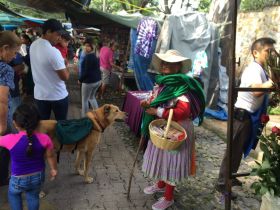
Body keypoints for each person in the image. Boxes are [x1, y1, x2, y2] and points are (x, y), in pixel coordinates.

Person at [140, 50, 205, 210]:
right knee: (163, 157)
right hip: (165, 127)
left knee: (172, 161)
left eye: (169, 63)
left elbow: (183, 111)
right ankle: (161, 184)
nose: (164, 65)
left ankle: (168, 197)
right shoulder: (163, 83)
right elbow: (159, 99)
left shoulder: (182, 85)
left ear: (178, 66)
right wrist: (150, 102)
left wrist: (157, 111)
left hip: (177, 129)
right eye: (163, 62)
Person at [216, 37, 276, 193]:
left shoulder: (262, 70)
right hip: (241, 118)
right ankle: (222, 183)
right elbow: (256, 91)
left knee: (238, 150)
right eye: (267, 51)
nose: (271, 54)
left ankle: (231, 175)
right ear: (256, 52)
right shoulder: (253, 69)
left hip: (249, 118)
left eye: (272, 51)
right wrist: (272, 83)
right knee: (232, 151)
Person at [0, 103, 57, 210]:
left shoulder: (10, 139)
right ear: (38, 123)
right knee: (33, 197)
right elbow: (51, 156)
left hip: (17, 179)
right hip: (37, 177)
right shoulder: (45, 138)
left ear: (15, 123)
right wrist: (54, 169)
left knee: (13, 195)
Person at [30, 19, 70, 120]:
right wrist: (66, 65)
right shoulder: (53, 52)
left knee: (43, 126)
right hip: (57, 95)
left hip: (40, 95)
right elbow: (65, 77)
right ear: (48, 32)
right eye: (58, 34)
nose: (59, 38)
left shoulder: (33, 45)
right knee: (61, 125)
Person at [0, 31, 22, 186]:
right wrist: (2, 126)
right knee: (3, 151)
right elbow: (2, 100)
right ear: (5, 48)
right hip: (0, 118)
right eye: (14, 52)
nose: (14, 57)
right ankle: (2, 179)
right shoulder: (5, 69)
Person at [78, 39, 101, 116]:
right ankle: (98, 115)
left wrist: (80, 79)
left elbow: (86, 72)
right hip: (97, 81)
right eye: (85, 45)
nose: (85, 47)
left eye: (88, 46)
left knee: (84, 100)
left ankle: (84, 117)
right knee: (91, 98)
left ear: (92, 47)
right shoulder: (96, 55)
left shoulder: (88, 57)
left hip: (89, 82)